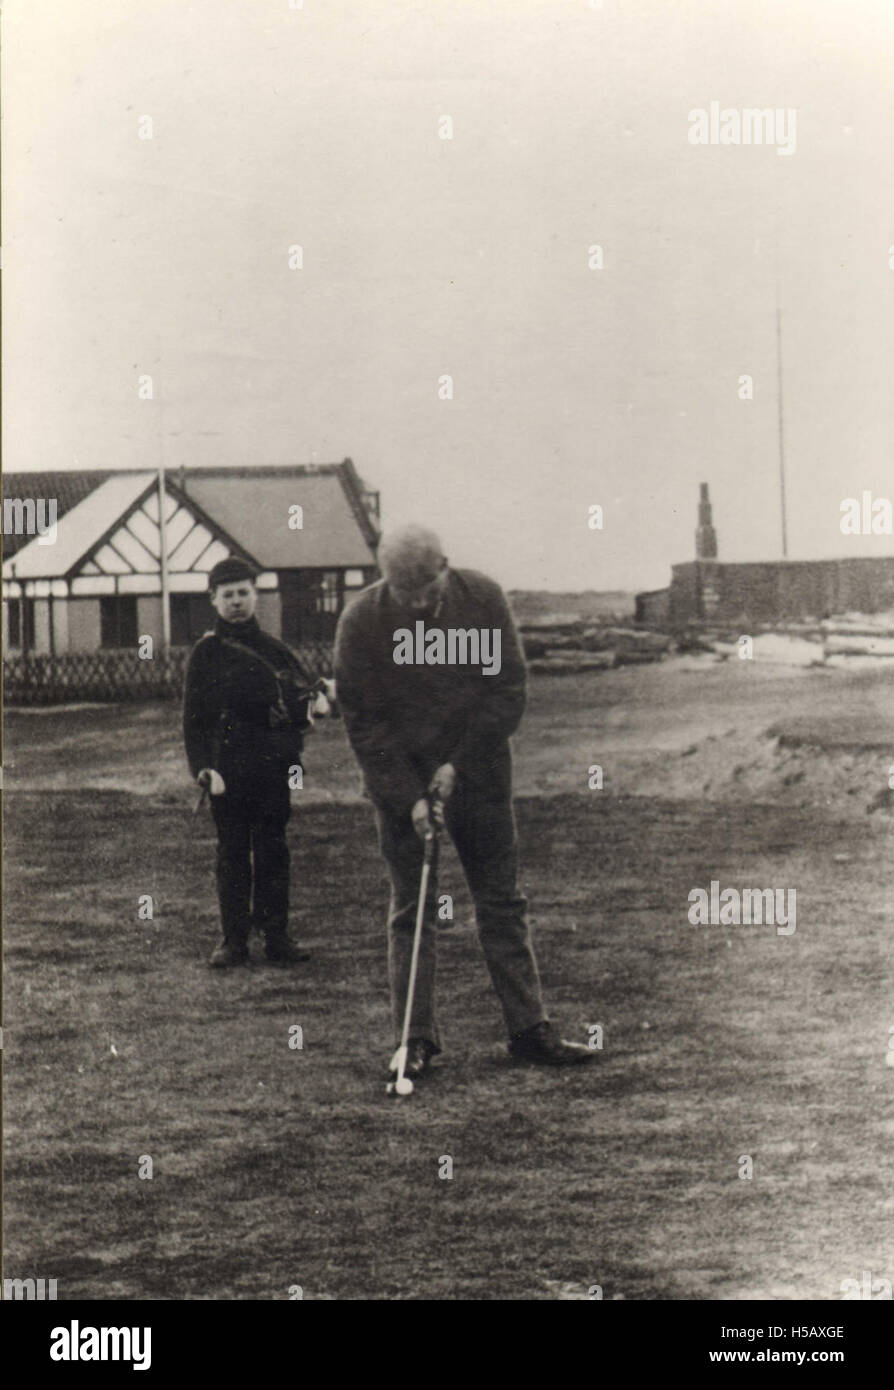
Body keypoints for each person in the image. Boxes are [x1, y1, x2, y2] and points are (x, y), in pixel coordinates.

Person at [334, 524, 595, 1082]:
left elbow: (509, 690)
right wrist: (409, 797)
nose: (417, 605)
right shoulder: (361, 621)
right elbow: (363, 720)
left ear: (445, 567)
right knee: (413, 907)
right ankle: (414, 1040)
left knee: (501, 901)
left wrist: (459, 764)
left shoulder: (484, 598)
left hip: (478, 775)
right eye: (405, 596)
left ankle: (530, 1029)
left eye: (425, 593)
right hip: (399, 780)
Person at [183, 555, 313, 968]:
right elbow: (193, 719)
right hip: (227, 768)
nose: (236, 602)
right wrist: (202, 767)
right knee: (233, 851)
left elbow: (300, 706)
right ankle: (233, 940)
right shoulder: (206, 654)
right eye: (228, 595)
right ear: (213, 599)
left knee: (274, 849)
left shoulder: (276, 651)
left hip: (273, 766)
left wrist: (303, 717)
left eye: (243, 593)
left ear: (255, 595)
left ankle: (277, 937)